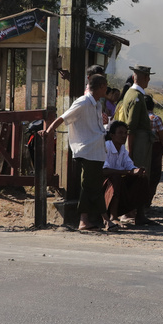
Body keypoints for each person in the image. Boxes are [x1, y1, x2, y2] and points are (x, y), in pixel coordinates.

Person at [50, 72, 108, 231]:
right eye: (106, 87)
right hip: (87, 149)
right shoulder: (83, 102)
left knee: (93, 185)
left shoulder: (96, 104)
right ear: (102, 87)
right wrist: (48, 131)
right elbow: (64, 117)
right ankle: (90, 220)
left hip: (97, 150)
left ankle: (98, 220)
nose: (106, 91)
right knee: (90, 186)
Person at [113, 65, 156, 213]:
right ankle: (135, 212)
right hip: (138, 144)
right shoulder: (137, 97)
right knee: (140, 176)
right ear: (144, 78)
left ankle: (134, 211)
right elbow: (131, 127)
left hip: (138, 142)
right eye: (148, 77)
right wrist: (130, 151)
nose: (149, 80)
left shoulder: (130, 94)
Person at [100, 119, 148, 229]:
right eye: (120, 133)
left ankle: (140, 216)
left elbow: (129, 166)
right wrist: (126, 172)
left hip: (118, 182)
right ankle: (113, 217)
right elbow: (104, 171)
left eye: (125, 133)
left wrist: (137, 171)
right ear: (112, 135)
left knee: (142, 178)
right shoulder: (106, 147)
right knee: (116, 178)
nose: (124, 136)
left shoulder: (122, 149)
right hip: (105, 184)